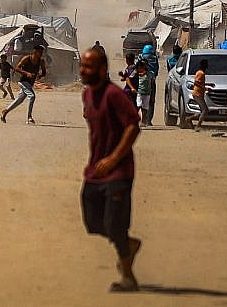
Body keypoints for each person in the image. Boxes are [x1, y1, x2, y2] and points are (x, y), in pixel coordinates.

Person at [79, 46, 143, 292]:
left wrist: (114, 159)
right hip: (95, 171)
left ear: (102, 69)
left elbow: (133, 126)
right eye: (82, 66)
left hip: (118, 172)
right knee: (92, 223)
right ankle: (129, 244)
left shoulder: (114, 95)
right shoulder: (86, 95)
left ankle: (128, 278)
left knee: (116, 225)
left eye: (89, 66)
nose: (84, 71)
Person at [0, 44, 47, 124]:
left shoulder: (41, 61)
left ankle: (5, 111)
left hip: (30, 83)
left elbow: (44, 72)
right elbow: (17, 68)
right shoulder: (26, 58)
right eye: (40, 52)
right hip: (23, 82)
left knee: (19, 100)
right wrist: (27, 73)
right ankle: (29, 117)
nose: (41, 54)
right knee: (32, 96)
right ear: (35, 51)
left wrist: (40, 75)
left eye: (42, 52)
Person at [192, 59, 211, 131]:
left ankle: (189, 119)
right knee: (205, 110)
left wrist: (208, 85)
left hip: (199, 93)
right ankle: (198, 125)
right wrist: (205, 88)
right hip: (198, 94)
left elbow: (200, 83)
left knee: (202, 110)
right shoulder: (201, 73)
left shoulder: (200, 72)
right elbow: (196, 83)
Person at [134, 60, 154, 127]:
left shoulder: (150, 73)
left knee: (145, 108)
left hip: (147, 92)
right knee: (138, 105)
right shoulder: (135, 73)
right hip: (139, 92)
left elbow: (152, 82)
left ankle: (143, 121)